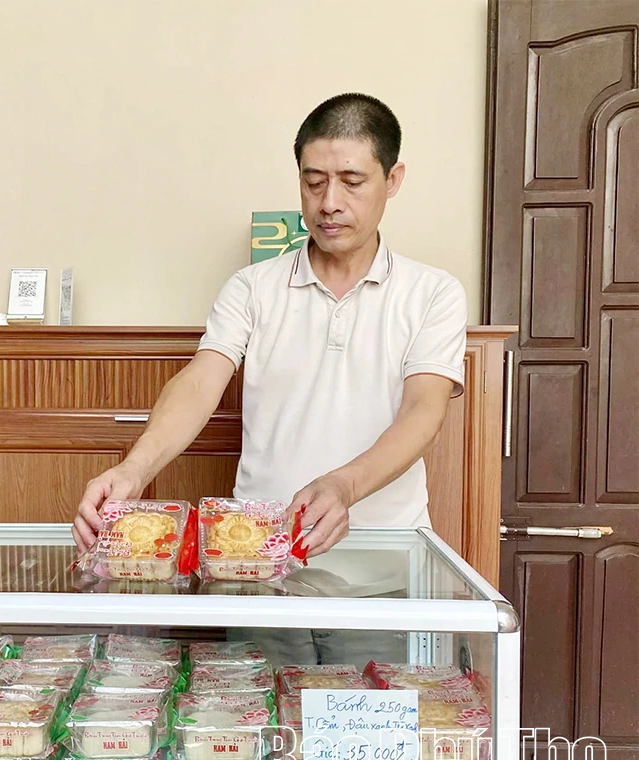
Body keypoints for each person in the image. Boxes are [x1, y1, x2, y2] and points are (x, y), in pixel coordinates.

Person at [72, 93, 468, 666]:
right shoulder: (253, 287)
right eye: (313, 182)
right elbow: (201, 381)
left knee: (367, 753)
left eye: (352, 181)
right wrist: (136, 468)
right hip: (258, 576)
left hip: (382, 583)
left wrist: (345, 487)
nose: (329, 202)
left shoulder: (432, 292)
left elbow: (424, 410)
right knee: (263, 747)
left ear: (393, 178)